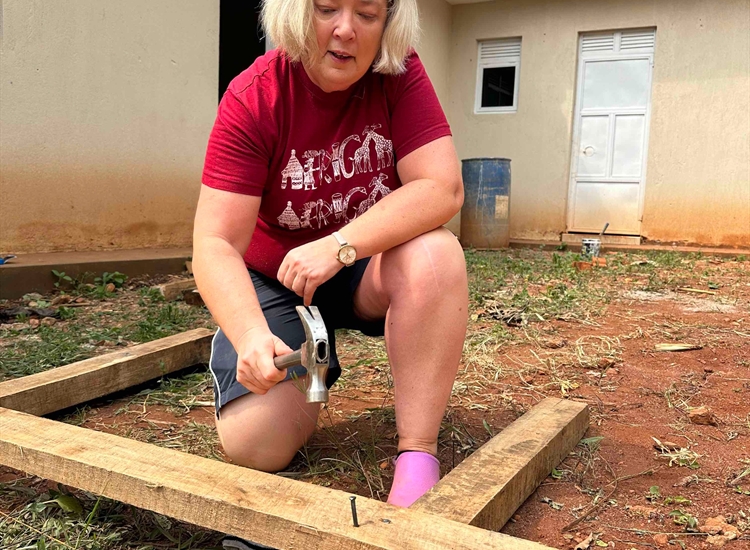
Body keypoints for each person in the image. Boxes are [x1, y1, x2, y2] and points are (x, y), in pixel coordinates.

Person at [192, 0, 468, 513]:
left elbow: (442, 188)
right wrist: (250, 333)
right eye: (326, 8)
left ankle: (418, 455)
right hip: (276, 278)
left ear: (387, 24)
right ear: (297, 12)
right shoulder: (254, 96)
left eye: (366, 14)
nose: (345, 30)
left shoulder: (399, 72)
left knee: (437, 255)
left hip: (362, 265)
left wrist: (340, 246)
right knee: (257, 443)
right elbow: (214, 243)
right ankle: (306, 369)